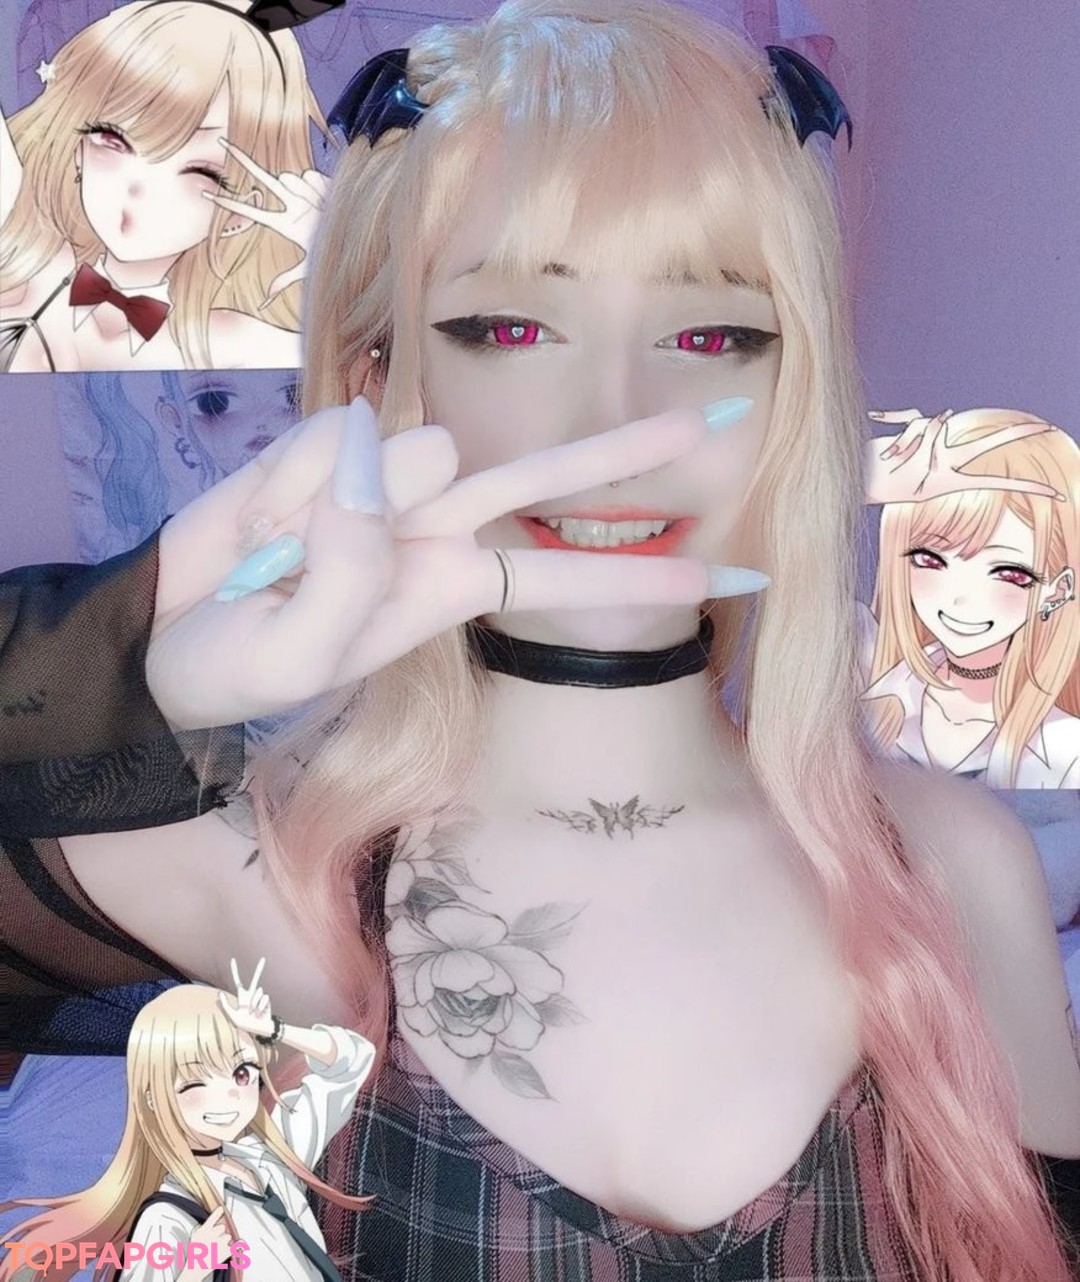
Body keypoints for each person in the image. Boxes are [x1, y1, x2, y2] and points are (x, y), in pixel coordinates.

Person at [2, 3, 1079, 1279]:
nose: (614, 418)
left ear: (796, 389)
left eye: (713, 334)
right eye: (510, 329)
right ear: (376, 375)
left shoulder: (953, 866)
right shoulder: (261, 872)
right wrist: (128, 647)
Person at [0, 0, 329, 372]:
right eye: (112, 140)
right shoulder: (28, 286)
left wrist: (335, 254)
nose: (138, 188)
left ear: (241, 214)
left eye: (201, 172)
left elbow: (351, 368)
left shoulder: (234, 343)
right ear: (77, 150)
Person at [1, 960, 374, 1281]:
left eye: (241, 1073)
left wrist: (275, 1029)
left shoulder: (264, 1161)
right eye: (197, 1082)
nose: (229, 1095)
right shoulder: (172, 1216)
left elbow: (351, 1063)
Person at [862, 407, 1080, 787]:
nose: (959, 600)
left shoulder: (1065, 750)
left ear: (1058, 590)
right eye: (929, 560)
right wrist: (857, 479)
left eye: (1009, 574)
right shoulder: (861, 667)